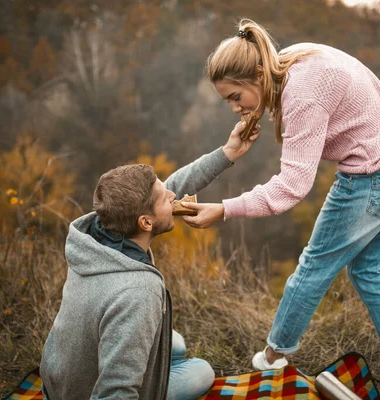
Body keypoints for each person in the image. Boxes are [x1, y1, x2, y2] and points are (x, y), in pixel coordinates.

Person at [181, 19, 380, 398]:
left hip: (372, 178)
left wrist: (223, 209)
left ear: (256, 73)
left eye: (235, 96)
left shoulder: (300, 95)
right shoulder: (294, 59)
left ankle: (272, 358)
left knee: (314, 265)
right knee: (369, 270)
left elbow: (291, 187)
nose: (235, 107)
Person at [40, 121, 260, 400]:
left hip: (59, 377)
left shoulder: (96, 234)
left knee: (174, 344)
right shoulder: (139, 292)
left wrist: (228, 152)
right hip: (84, 392)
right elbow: (115, 391)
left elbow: (176, 185)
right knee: (201, 370)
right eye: (164, 198)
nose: (172, 195)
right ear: (145, 222)